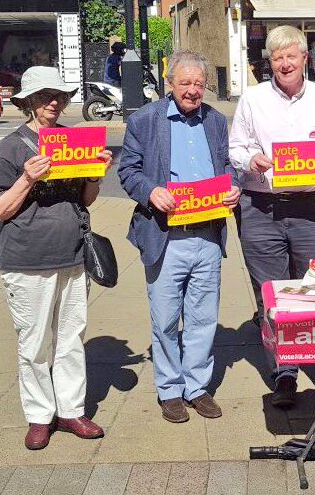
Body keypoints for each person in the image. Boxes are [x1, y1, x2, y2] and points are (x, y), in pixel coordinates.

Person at [229, 25, 315, 409]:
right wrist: (250, 159)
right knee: (272, 296)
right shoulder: (252, 99)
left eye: (291, 56)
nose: (285, 63)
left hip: (311, 209)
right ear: (269, 61)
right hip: (262, 208)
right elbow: (235, 147)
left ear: (305, 58)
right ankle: (284, 372)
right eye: (277, 57)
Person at [0, 66, 113, 450]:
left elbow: (86, 200)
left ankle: (71, 410)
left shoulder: (72, 141)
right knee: (35, 344)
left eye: (59, 96)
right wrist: (27, 179)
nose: (54, 103)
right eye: (45, 96)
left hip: (72, 256)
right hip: (28, 261)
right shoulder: (12, 146)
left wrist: (94, 175)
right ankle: (40, 416)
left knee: (70, 339)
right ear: (29, 102)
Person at [118, 50, 240, 424]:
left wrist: (233, 187)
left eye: (198, 84)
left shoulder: (215, 121)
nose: (192, 90)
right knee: (166, 320)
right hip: (165, 236)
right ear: (169, 83)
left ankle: (197, 387)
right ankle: (170, 390)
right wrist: (151, 191)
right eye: (184, 83)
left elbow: (227, 166)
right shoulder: (144, 120)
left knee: (203, 318)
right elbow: (128, 171)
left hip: (207, 235)